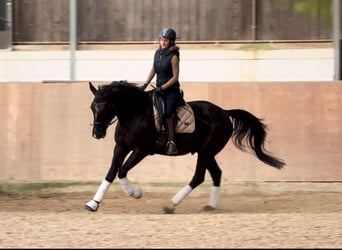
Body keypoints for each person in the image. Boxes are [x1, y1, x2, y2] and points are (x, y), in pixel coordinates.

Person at [142, 28, 183, 155]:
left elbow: (175, 78)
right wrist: (145, 84)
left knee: (167, 112)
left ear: (171, 42)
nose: (163, 42)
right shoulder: (157, 53)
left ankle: (171, 141)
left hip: (171, 91)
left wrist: (163, 87)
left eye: (165, 40)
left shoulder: (174, 57)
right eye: (161, 40)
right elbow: (154, 69)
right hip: (159, 89)